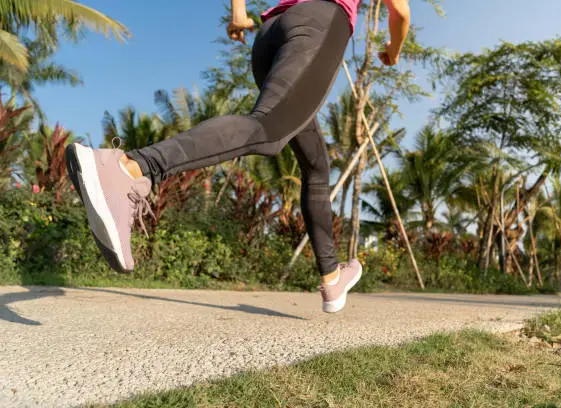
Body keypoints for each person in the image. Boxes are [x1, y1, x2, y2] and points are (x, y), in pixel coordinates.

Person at [66, 0, 411, 313]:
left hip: (271, 34)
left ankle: (332, 277)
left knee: (316, 165)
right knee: (269, 130)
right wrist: (394, 51)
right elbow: (401, 12)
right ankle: (130, 167)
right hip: (320, 21)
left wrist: (237, 14)